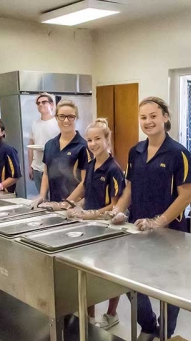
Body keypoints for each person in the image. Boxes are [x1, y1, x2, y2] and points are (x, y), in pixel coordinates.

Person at [111, 96, 191, 341]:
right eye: (143, 117)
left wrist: (160, 222)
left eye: (153, 116)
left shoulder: (179, 153)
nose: (148, 121)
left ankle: (165, 335)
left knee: (169, 287)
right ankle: (148, 326)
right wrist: (118, 210)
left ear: (165, 117)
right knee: (132, 282)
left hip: (170, 233)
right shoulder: (135, 151)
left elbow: (186, 195)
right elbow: (130, 188)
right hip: (138, 230)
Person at [62, 118, 125, 329]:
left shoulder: (113, 169)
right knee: (88, 272)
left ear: (107, 139)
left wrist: (92, 214)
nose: (92, 143)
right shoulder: (90, 165)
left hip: (106, 228)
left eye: (97, 139)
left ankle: (111, 314)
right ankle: (89, 318)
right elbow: (82, 186)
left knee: (108, 273)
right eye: (89, 140)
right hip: (89, 226)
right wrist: (67, 203)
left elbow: (115, 207)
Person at [32, 99, 91, 207]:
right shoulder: (49, 145)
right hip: (54, 203)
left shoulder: (83, 147)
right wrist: (42, 195)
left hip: (76, 206)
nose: (66, 120)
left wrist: (66, 203)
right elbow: (46, 173)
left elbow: (85, 181)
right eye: (62, 116)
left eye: (71, 116)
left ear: (76, 118)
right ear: (56, 118)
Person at [28, 93, 60, 194]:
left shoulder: (58, 122)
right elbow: (31, 145)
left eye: (44, 102)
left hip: (54, 168)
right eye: (38, 103)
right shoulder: (35, 123)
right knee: (42, 199)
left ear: (52, 105)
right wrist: (30, 166)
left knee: (54, 198)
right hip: (37, 167)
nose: (40, 104)